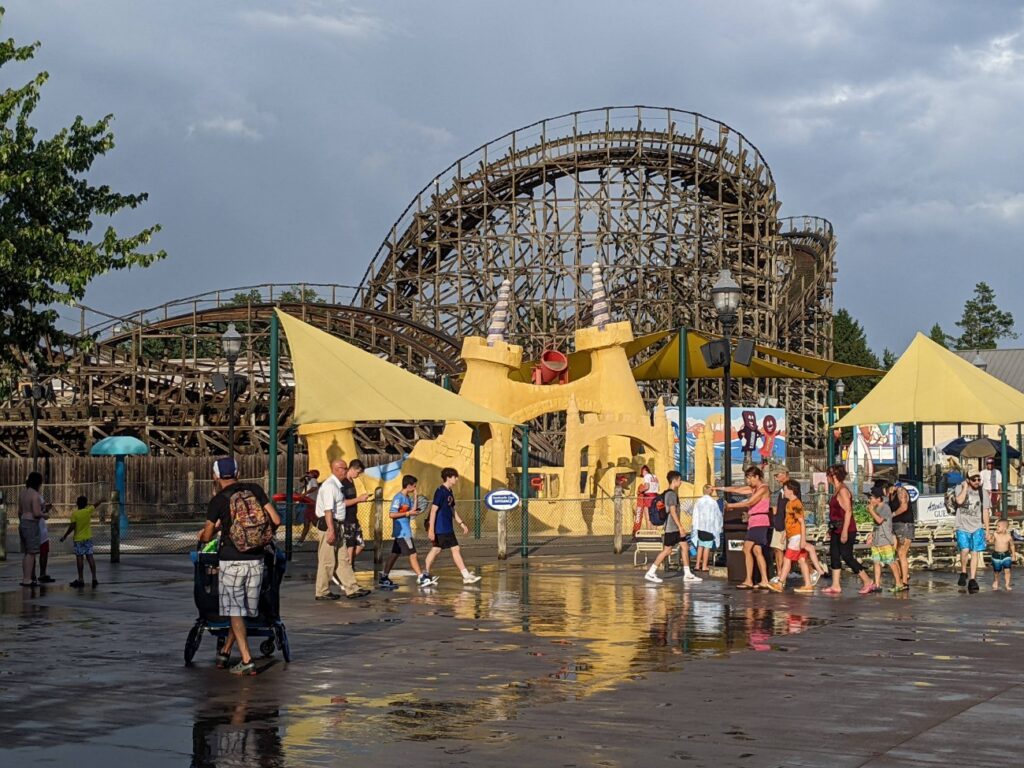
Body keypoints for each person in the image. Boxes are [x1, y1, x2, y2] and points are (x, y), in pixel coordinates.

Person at [197, 457, 281, 676]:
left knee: (235, 611)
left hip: (231, 559)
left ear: (215, 476)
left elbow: (206, 536)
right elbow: (277, 520)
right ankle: (225, 651)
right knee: (242, 611)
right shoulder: (254, 489)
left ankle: (246, 660)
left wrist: (211, 531)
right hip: (256, 559)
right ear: (238, 472)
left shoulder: (218, 500)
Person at [313, 459, 371, 601]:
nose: (346, 470)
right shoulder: (330, 486)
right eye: (344, 468)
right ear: (336, 469)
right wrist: (331, 530)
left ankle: (352, 588)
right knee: (327, 560)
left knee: (343, 558)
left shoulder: (337, 486)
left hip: (338, 524)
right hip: (330, 525)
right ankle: (322, 591)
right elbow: (328, 510)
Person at [423, 468, 482, 585]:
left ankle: (425, 574)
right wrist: (431, 530)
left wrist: (461, 523)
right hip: (440, 527)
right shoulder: (440, 491)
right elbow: (433, 510)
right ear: (449, 478)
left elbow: (452, 509)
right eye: (455, 477)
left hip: (447, 527)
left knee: (439, 549)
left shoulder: (449, 492)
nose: (457, 479)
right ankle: (425, 575)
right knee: (446, 549)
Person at [718, 466, 772, 590]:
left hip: (759, 522)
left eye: (749, 478)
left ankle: (749, 580)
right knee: (757, 551)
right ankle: (764, 580)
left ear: (756, 477)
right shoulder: (754, 488)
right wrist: (719, 488)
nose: (748, 481)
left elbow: (749, 502)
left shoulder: (763, 488)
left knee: (746, 548)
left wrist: (731, 505)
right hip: (755, 522)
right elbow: (738, 489)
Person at [822, 465, 874, 595]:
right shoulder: (837, 489)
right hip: (836, 527)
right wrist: (831, 529)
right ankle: (835, 585)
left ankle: (867, 580)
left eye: (828, 475)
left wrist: (844, 531)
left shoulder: (843, 490)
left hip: (846, 528)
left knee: (847, 556)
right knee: (834, 555)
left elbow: (848, 511)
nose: (826, 478)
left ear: (833, 476)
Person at [644, 471, 701, 584]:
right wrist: (680, 527)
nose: (680, 482)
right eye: (680, 480)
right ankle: (651, 572)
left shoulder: (670, 493)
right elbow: (673, 511)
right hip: (672, 528)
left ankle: (687, 574)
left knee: (685, 547)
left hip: (674, 528)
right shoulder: (671, 494)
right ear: (674, 481)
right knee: (667, 550)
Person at [380, 474, 436, 588]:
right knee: (413, 554)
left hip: (404, 531)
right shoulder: (398, 498)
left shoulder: (406, 498)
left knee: (394, 554)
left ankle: (384, 577)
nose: (415, 488)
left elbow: (413, 510)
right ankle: (420, 577)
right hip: (403, 532)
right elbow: (392, 514)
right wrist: (407, 513)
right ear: (409, 485)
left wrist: (415, 497)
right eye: (414, 486)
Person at [767, 480, 814, 594]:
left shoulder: (796, 504)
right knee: (802, 560)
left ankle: (780, 583)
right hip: (792, 535)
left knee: (787, 559)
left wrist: (802, 539)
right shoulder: (789, 503)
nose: (784, 491)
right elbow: (789, 521)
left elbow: (801, 522)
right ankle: (808, 584)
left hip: (796, 536)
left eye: (786, 489)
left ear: (792, 490)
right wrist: (784, 534)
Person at [954, 471, 988, 594]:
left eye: (979, 479)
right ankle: (963, 571)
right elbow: (959, 501)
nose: (977, 482)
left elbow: (985, 511)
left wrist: (987, 530)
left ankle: (973, 579)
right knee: (965, 550)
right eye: (974, 479)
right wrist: (964, 487)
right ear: (968, 480)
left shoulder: (983, 492)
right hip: (962, 525)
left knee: (975, 553)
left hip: (977, 526)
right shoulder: (960, 488)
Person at [59, 495, 103, 588]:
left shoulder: (75, 514)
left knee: (79, 558)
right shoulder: (88, 511)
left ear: (77, 504)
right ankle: (94, 578)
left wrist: (65, 536)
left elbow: (72, 526)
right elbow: (95, 505)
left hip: (78, 539)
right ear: (86, 504)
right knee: (90, 557)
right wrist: (101, 500)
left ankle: (81, 578)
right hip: (87, 538)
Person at [865, 487, 902, 593]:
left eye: (871, 498)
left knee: (890, 562)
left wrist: (871, 510)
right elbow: (876, 525)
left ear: (878, 499)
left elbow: (879, 520)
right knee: (876, 562)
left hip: (885, 540)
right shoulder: (876, 508)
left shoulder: (885, 508)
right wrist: (871, 535)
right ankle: (877, 584)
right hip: (877, 539)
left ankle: (899, 583)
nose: (869, 500)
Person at [18, 472, 46, 587]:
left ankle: (25, 577)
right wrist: (45, 515)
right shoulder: (35, 495)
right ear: (38, 482)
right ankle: (27, 579)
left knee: (26, 553)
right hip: (31, 524)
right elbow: (36, 513)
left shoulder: (23, 493)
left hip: (23, 522)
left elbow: (20, 511)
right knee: (31, 553)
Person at [340, 460, 369, 570]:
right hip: (347, 518)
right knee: (350, 544)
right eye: (358, 472)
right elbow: (343, 502)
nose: (358, 475)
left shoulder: (351, 481)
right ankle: (348, 566)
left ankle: (347, 561)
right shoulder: (343, 483)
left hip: (353, 517)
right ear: (352, 469)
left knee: (360, 544)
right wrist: (358, 499)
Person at [888, 479, 914, 589]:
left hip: (905, 525)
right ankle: (902, 576)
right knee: (894, 553)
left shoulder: (901, 492)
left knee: (902, 554)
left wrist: (892, 514)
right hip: (895, 525)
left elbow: (904, 507)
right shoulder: (891, 494)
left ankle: (904, 582)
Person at [691, 484, 722, 573]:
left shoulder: (698, 501)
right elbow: (717, 516)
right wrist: (718, 527)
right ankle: (704, 566)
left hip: (700, 527)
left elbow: (695, 514)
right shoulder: (713, 502)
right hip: (710, 527)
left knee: (700, 545)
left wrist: (694, 526)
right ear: (711, 491)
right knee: (707, 547)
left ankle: (697, 565)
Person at [768, 465, 790, 581]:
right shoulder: (782, 489)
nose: (776, 478)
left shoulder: (790, 487)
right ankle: (780, 573)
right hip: (779, 521)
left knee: (787, 550)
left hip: (785, 523)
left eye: (777, 475)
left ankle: (781, 575)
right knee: (777, 548)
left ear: (784, 474)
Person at [633, 465, 660, 536]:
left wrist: (639, 491)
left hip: (648, 498)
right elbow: (658, 489)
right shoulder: (655, 476)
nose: (642, 475)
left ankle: (649, 536)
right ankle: (655, 535)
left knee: (648, 519)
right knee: (654, 518)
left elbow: (646, 487)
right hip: (655, 498)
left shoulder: (647, 476)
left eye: (642, 472)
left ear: (644, 470)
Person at [990, 519, 1016, 591]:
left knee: (1007, 570)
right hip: (996, 555)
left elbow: (1012, 546)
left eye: (998, 526)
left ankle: (1007, 584)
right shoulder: (995, 534)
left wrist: (1013, 555)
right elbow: (991, 541)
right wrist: (990, 538)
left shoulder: (1008, 536)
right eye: (997, 526)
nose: (997, 528)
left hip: (1006, 555)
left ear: (1004, 528)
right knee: (996, 571)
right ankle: (996, 581)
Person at [296, 469, 321, 544]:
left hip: (312, 503)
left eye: (310, 473)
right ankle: (300, 541)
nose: (308, 474)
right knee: (306, 522)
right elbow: (300, 480)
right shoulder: (309, 481)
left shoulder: (313, 480)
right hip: (309, 504)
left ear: (313, 475)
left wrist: (305, 493)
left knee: (314, 522)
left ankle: (325, 533)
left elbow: (314, 487)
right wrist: (305, 476)